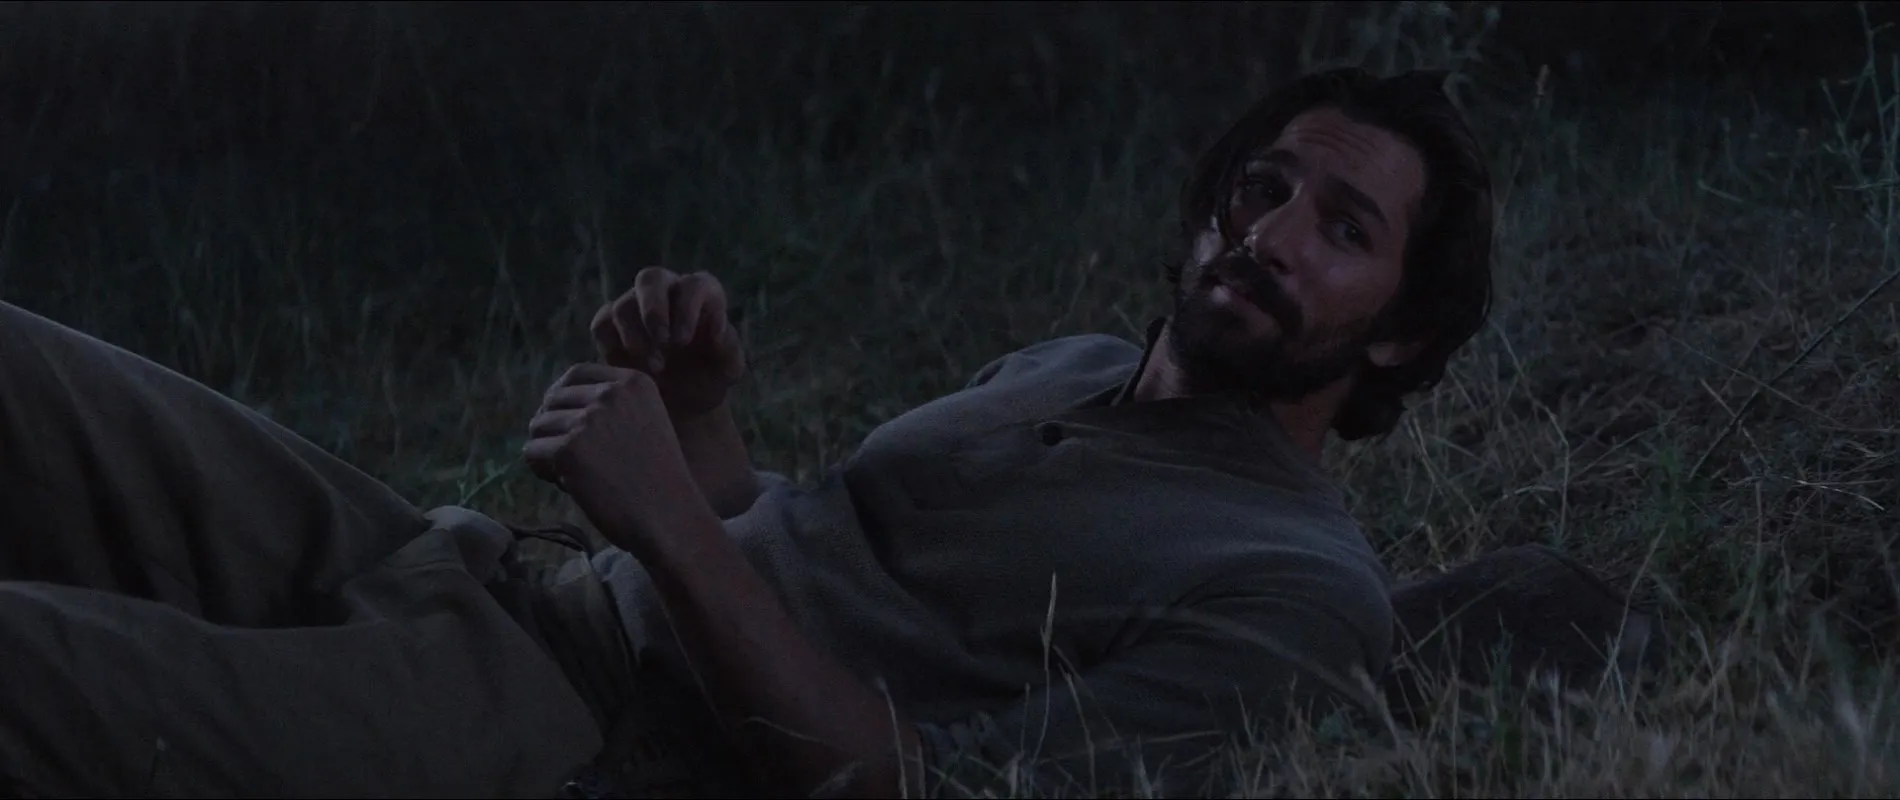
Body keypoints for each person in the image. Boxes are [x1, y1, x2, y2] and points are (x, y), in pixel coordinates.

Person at [0, 67, 1658, 800]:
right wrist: (702, 423)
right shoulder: (1070, 361)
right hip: (476, 569)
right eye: (1262, 185)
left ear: (1406, 330)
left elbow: (902, 785)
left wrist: (667, 526)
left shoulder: (1296, 593)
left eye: (1343, 230)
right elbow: (815, 560)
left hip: (551, 721)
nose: (1272, 234)